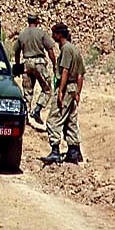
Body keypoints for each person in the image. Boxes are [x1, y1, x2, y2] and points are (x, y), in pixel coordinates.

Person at [41, 23, 85, 165]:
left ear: (59, 35)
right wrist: (77, 92)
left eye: (54, 33)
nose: (52, 36)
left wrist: (60, 91)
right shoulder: (74, 49)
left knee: (53, 119)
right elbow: (80, 74)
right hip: (72, 89)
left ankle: (55, 151)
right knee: (70, 120)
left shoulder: (66, 49)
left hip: (66, 88)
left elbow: (65, 71)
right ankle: (74, 150)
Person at [13, 13, 58, 126]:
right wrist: (54, 64)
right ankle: (37, 109)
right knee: (47, 89)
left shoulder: (22, 34)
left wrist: (18, 66)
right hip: (39, 63)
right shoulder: (41, 33)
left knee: (27, 92)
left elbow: (17, 51)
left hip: (27, 64)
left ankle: (25, 116)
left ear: (28, 21)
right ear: (37, 21)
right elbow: (50, 50)